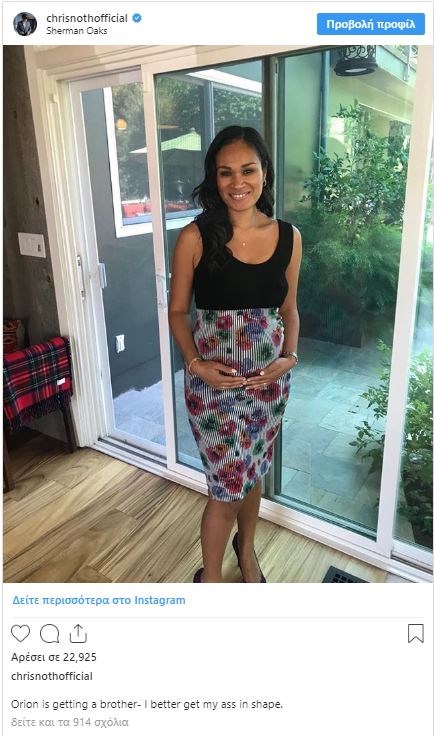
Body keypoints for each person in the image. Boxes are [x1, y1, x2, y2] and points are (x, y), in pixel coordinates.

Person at [168, 126, 302, 583]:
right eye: (225, 172)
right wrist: (195, 364)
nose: (237, 182)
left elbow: (290, 310)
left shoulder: (289, 237)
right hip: (213, 390)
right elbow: (178, 311)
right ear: (214, 177)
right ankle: (210, 580)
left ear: (265, 172)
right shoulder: (195, 237)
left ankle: (245, 553)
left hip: (268, 388)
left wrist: (289, 358)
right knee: (226, 490)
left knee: (254, 470)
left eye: (248, 170)